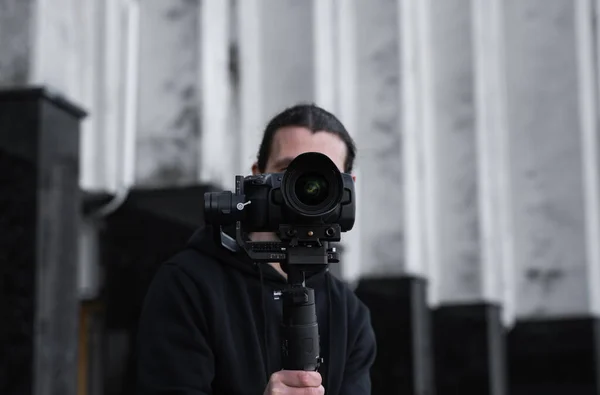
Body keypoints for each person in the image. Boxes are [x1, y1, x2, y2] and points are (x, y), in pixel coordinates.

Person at [136, 104, 377, 395]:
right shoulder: (188, 282)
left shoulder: (349, 314)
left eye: (321, 180)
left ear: (346, 190)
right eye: (289, 172)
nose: (305, 190)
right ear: (257, 177)